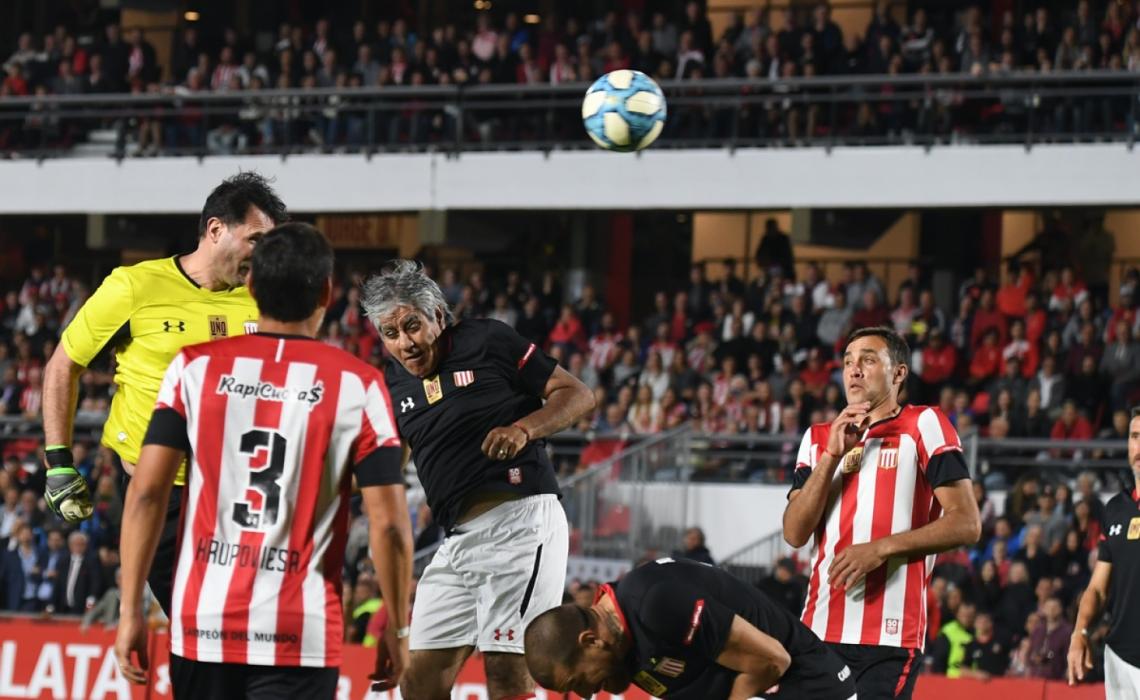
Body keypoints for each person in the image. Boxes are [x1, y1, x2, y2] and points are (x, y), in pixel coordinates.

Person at [114, 224, 414, 697]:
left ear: (251, 287)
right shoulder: (358, 384)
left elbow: (147, 491)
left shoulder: (193, 368)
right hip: (301, 630)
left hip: (203, 625)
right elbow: (391, 526)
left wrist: (130, 609)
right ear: (327, 293)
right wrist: (398, 630)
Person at [42, 173, 288, 617]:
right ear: (216, 230)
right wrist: (58, 461)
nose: (264, 253)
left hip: (238, 496)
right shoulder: (135, 287)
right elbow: (64, 364)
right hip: (157, 495)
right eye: (255, 238)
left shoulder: (264, 299)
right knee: (200, 628)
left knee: (245, 631)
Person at [361, 261, 595, 700]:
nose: (405, 343)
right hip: (455, 544)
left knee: (507, 676)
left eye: (413, 326)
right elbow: (392, 463)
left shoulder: (487, 340)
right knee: (418, 682)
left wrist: (524, 428)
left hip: (521, 525)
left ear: (439, 317)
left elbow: (578, 394)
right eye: (390, 334)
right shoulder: (393, 381)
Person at [782, 326, 981, 699]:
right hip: (819, 631)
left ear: (899, 373)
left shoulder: (924, 424)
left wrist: (878, 549)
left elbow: (966, 523)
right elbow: (794, 533)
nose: (854, 370)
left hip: (889, 640)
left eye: (868, 360)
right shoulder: (818, 438)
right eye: (847, 362)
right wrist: (831, 456)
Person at [523, 557, 857, 699]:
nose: (587, 694)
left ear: (591, 640)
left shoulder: (656, 605)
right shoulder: (620, 636)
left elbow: (771, 661)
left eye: (577, 682)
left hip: (811, 687)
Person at [1068, 407, 1140, 693]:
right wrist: (1080, 632)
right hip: (1120, 660)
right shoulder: (1115, 509)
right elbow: (1098, 588)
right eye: (1135, 436)